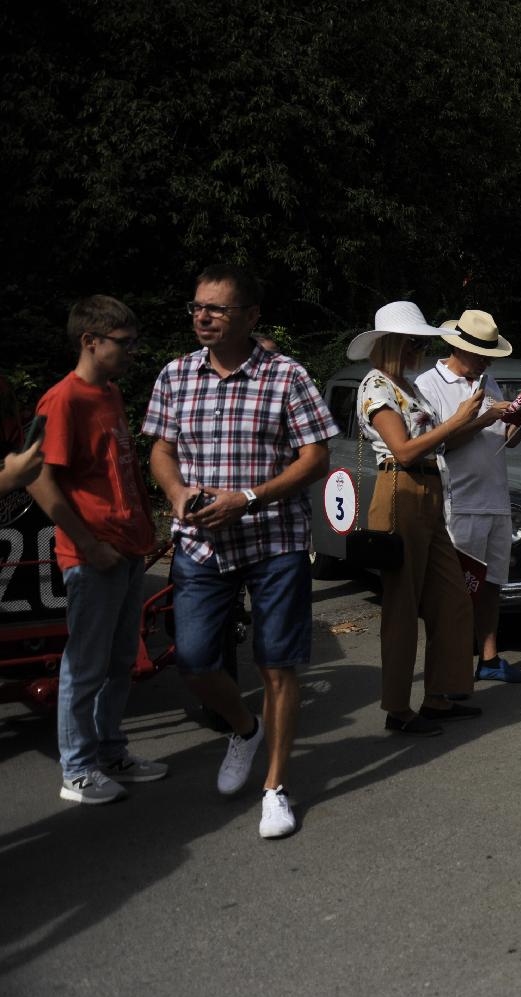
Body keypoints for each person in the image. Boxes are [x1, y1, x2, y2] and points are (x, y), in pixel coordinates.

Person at [144, 264, 337, 838]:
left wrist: (248, 498)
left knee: (277, 663)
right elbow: (160, 448)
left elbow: (315, 458)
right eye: (197, 307)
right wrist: (177, 491)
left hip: (274, 539)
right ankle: (245, 728)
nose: (202, 316)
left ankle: (274, 788)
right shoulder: (176, 375)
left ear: (250, 317)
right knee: (195, 660)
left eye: (217, 309)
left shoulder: (286, 375)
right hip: (201, 545)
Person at [28, 296, 164, 805]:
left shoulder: (107, 393)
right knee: (85, 665)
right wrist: (88, 544)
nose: (132, 353)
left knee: (120, 660)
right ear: (90, 341)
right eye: (124, 344)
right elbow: (40, 480)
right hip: (93, 556)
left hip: (125, 550)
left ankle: (111, 752)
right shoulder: (63, 399)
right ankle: (78, 770)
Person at [350, 302, 488, 735]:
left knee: (453, 598)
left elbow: (437, 443)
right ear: (394, 343)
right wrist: (460, 421)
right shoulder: (376, 386)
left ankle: (439, 696)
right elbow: (406, 449)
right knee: (403, 606)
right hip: (400, 491)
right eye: (415, 342)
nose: (421, 350)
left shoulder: (405, 385)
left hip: (427, 490)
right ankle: (398, 707)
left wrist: (483, 418)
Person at [415, 310, 521, 685]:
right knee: (456, 591)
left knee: (492, 584)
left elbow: (501, 441)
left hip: (495, 498)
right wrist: (483, 418)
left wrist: (519, 425)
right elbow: (438, 446)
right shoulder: (427, 384)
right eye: (479, 353)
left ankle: (489, 658)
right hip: (458, 502)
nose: (485, 361)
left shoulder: (488, 381)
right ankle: (450, 669)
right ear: (456, 346)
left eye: (488, 355)